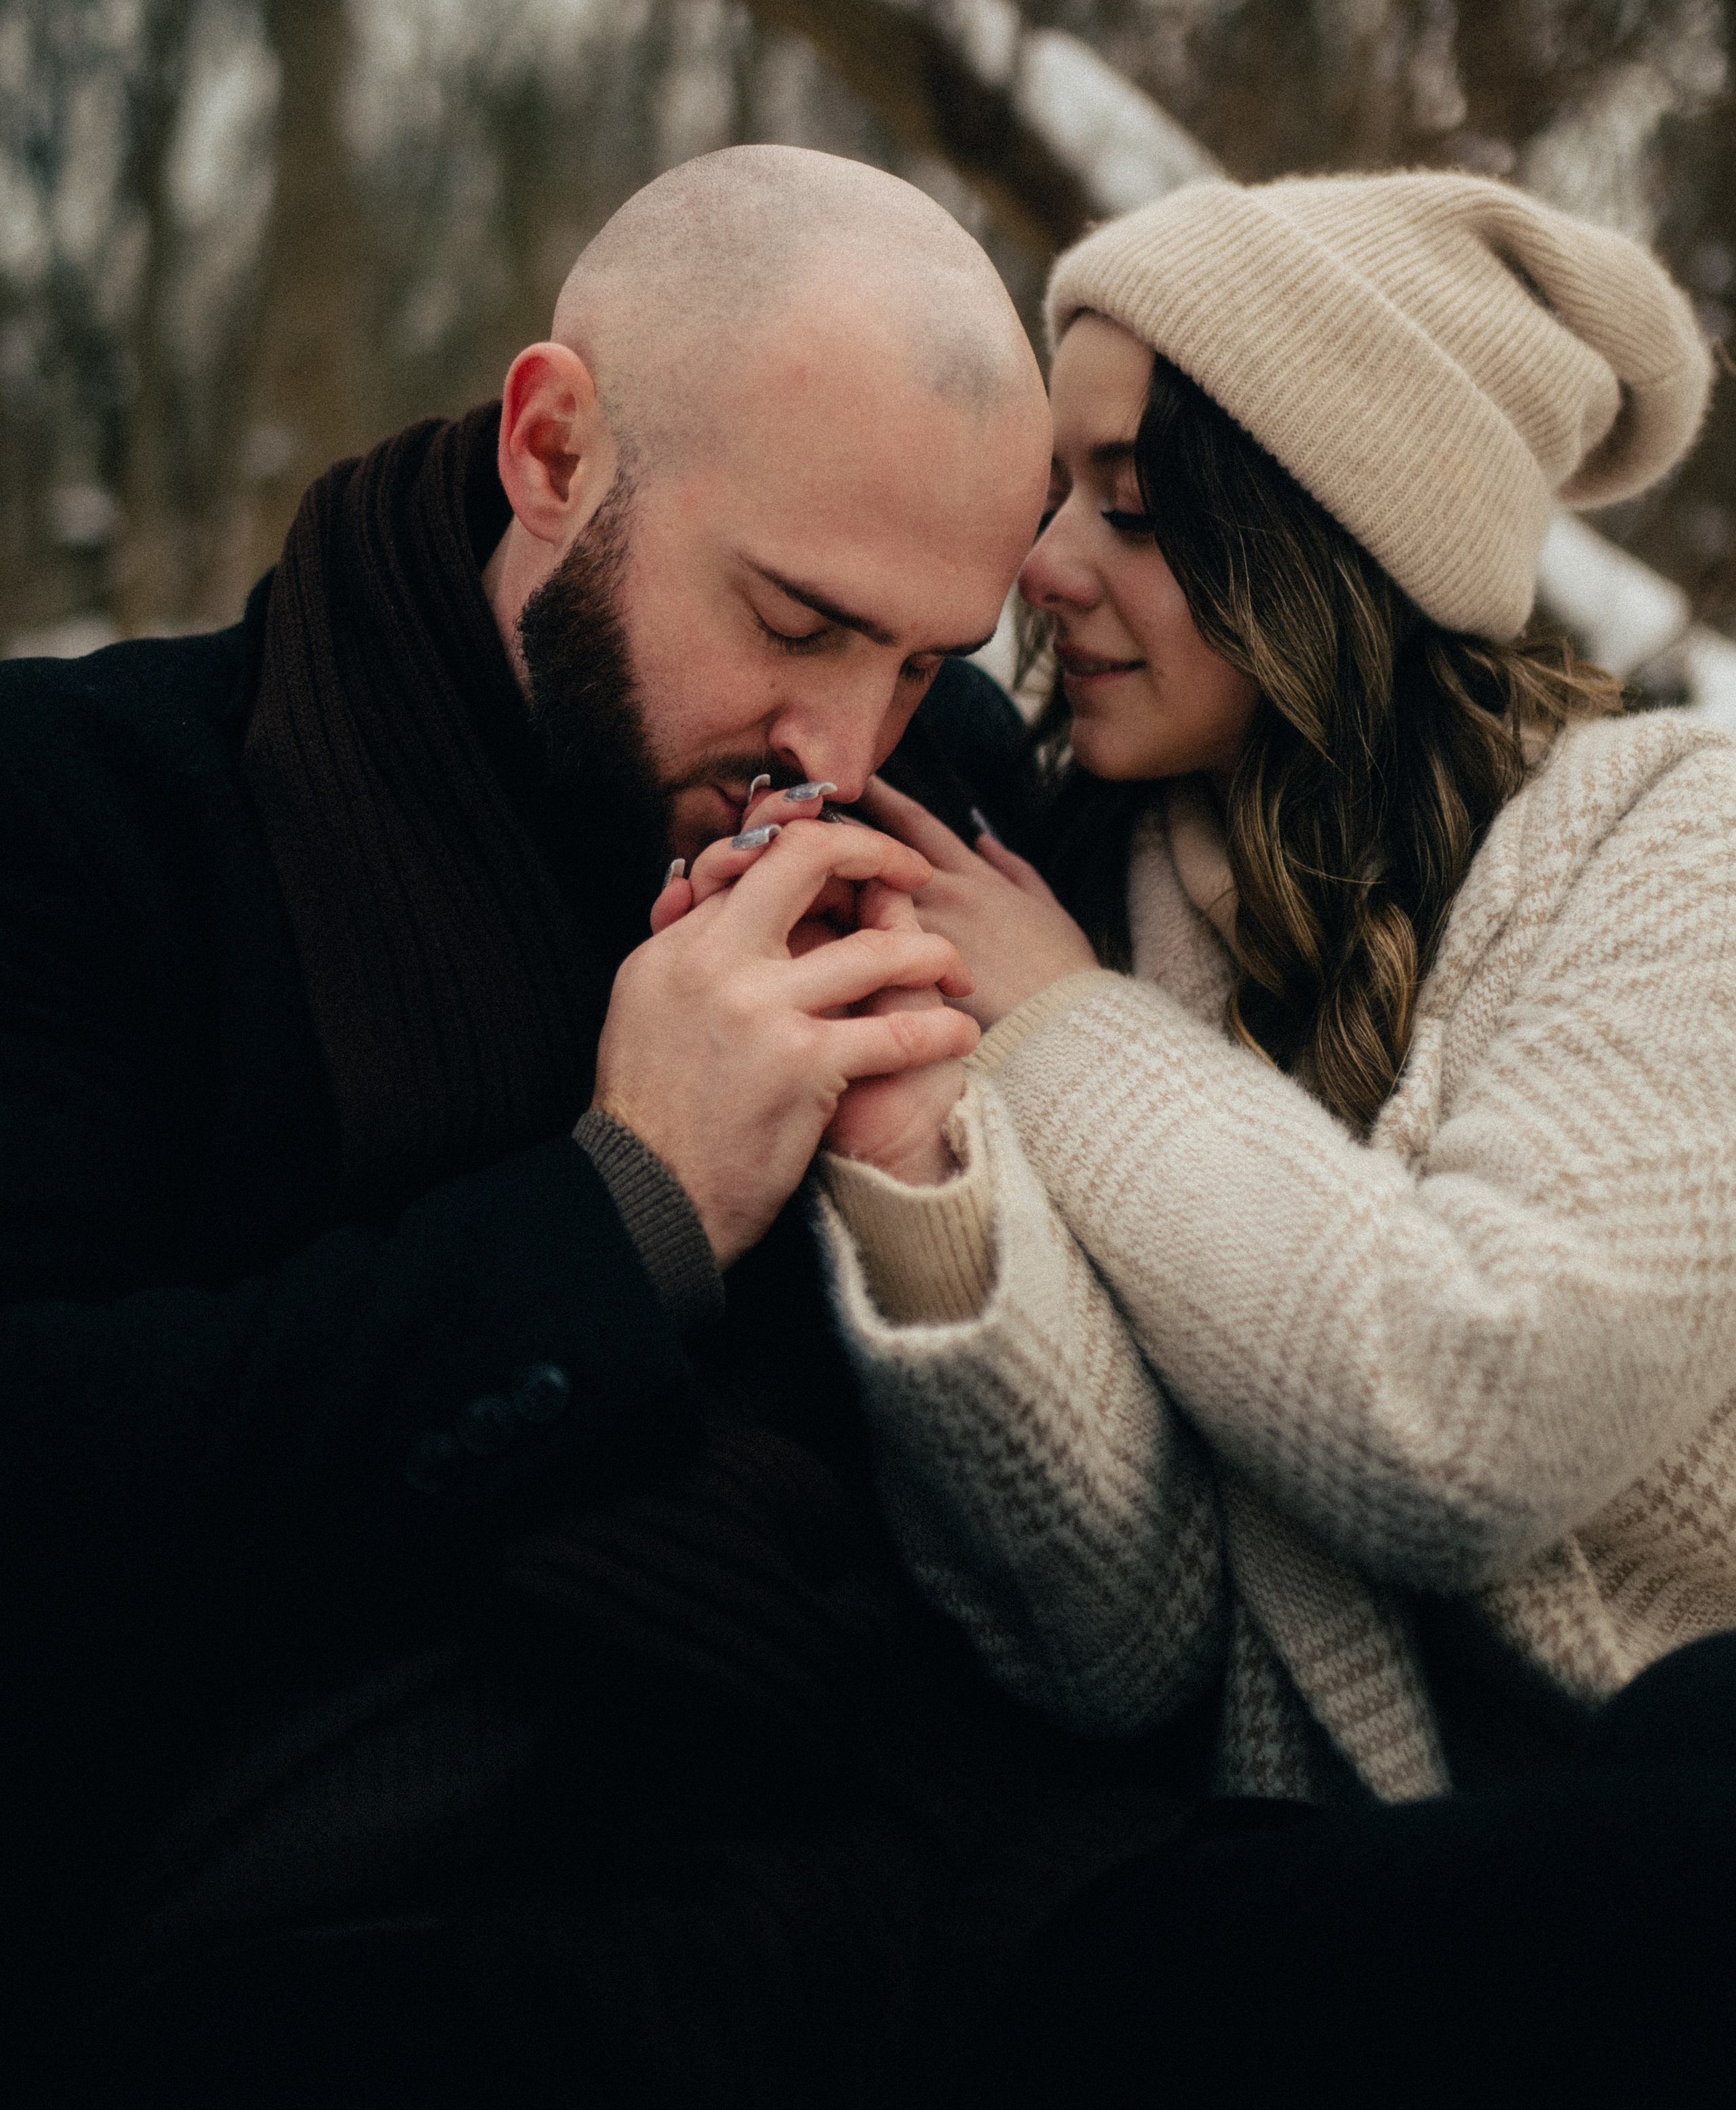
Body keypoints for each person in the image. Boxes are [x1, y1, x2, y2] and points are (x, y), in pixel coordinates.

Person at [1, 142, 1061, 2098]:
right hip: (320, 1954)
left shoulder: (954, 810)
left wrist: (1057, 1056)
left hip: (942, 1882)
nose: (842, 752)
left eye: (924, 661)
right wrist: (625, 1208)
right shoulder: (87, 816)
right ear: (555, 449)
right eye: (798, 620)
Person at [681, 170, 1736, 2097]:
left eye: (1137, 510)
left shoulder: (1677, 846)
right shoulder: (1090, 895)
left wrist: (1062, 1028)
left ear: (1340, 537)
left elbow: (1467, 1404)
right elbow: (1121, 1640)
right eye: (1056, 497)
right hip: (1359, 1910)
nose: (1043, 569)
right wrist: (925, 1165)